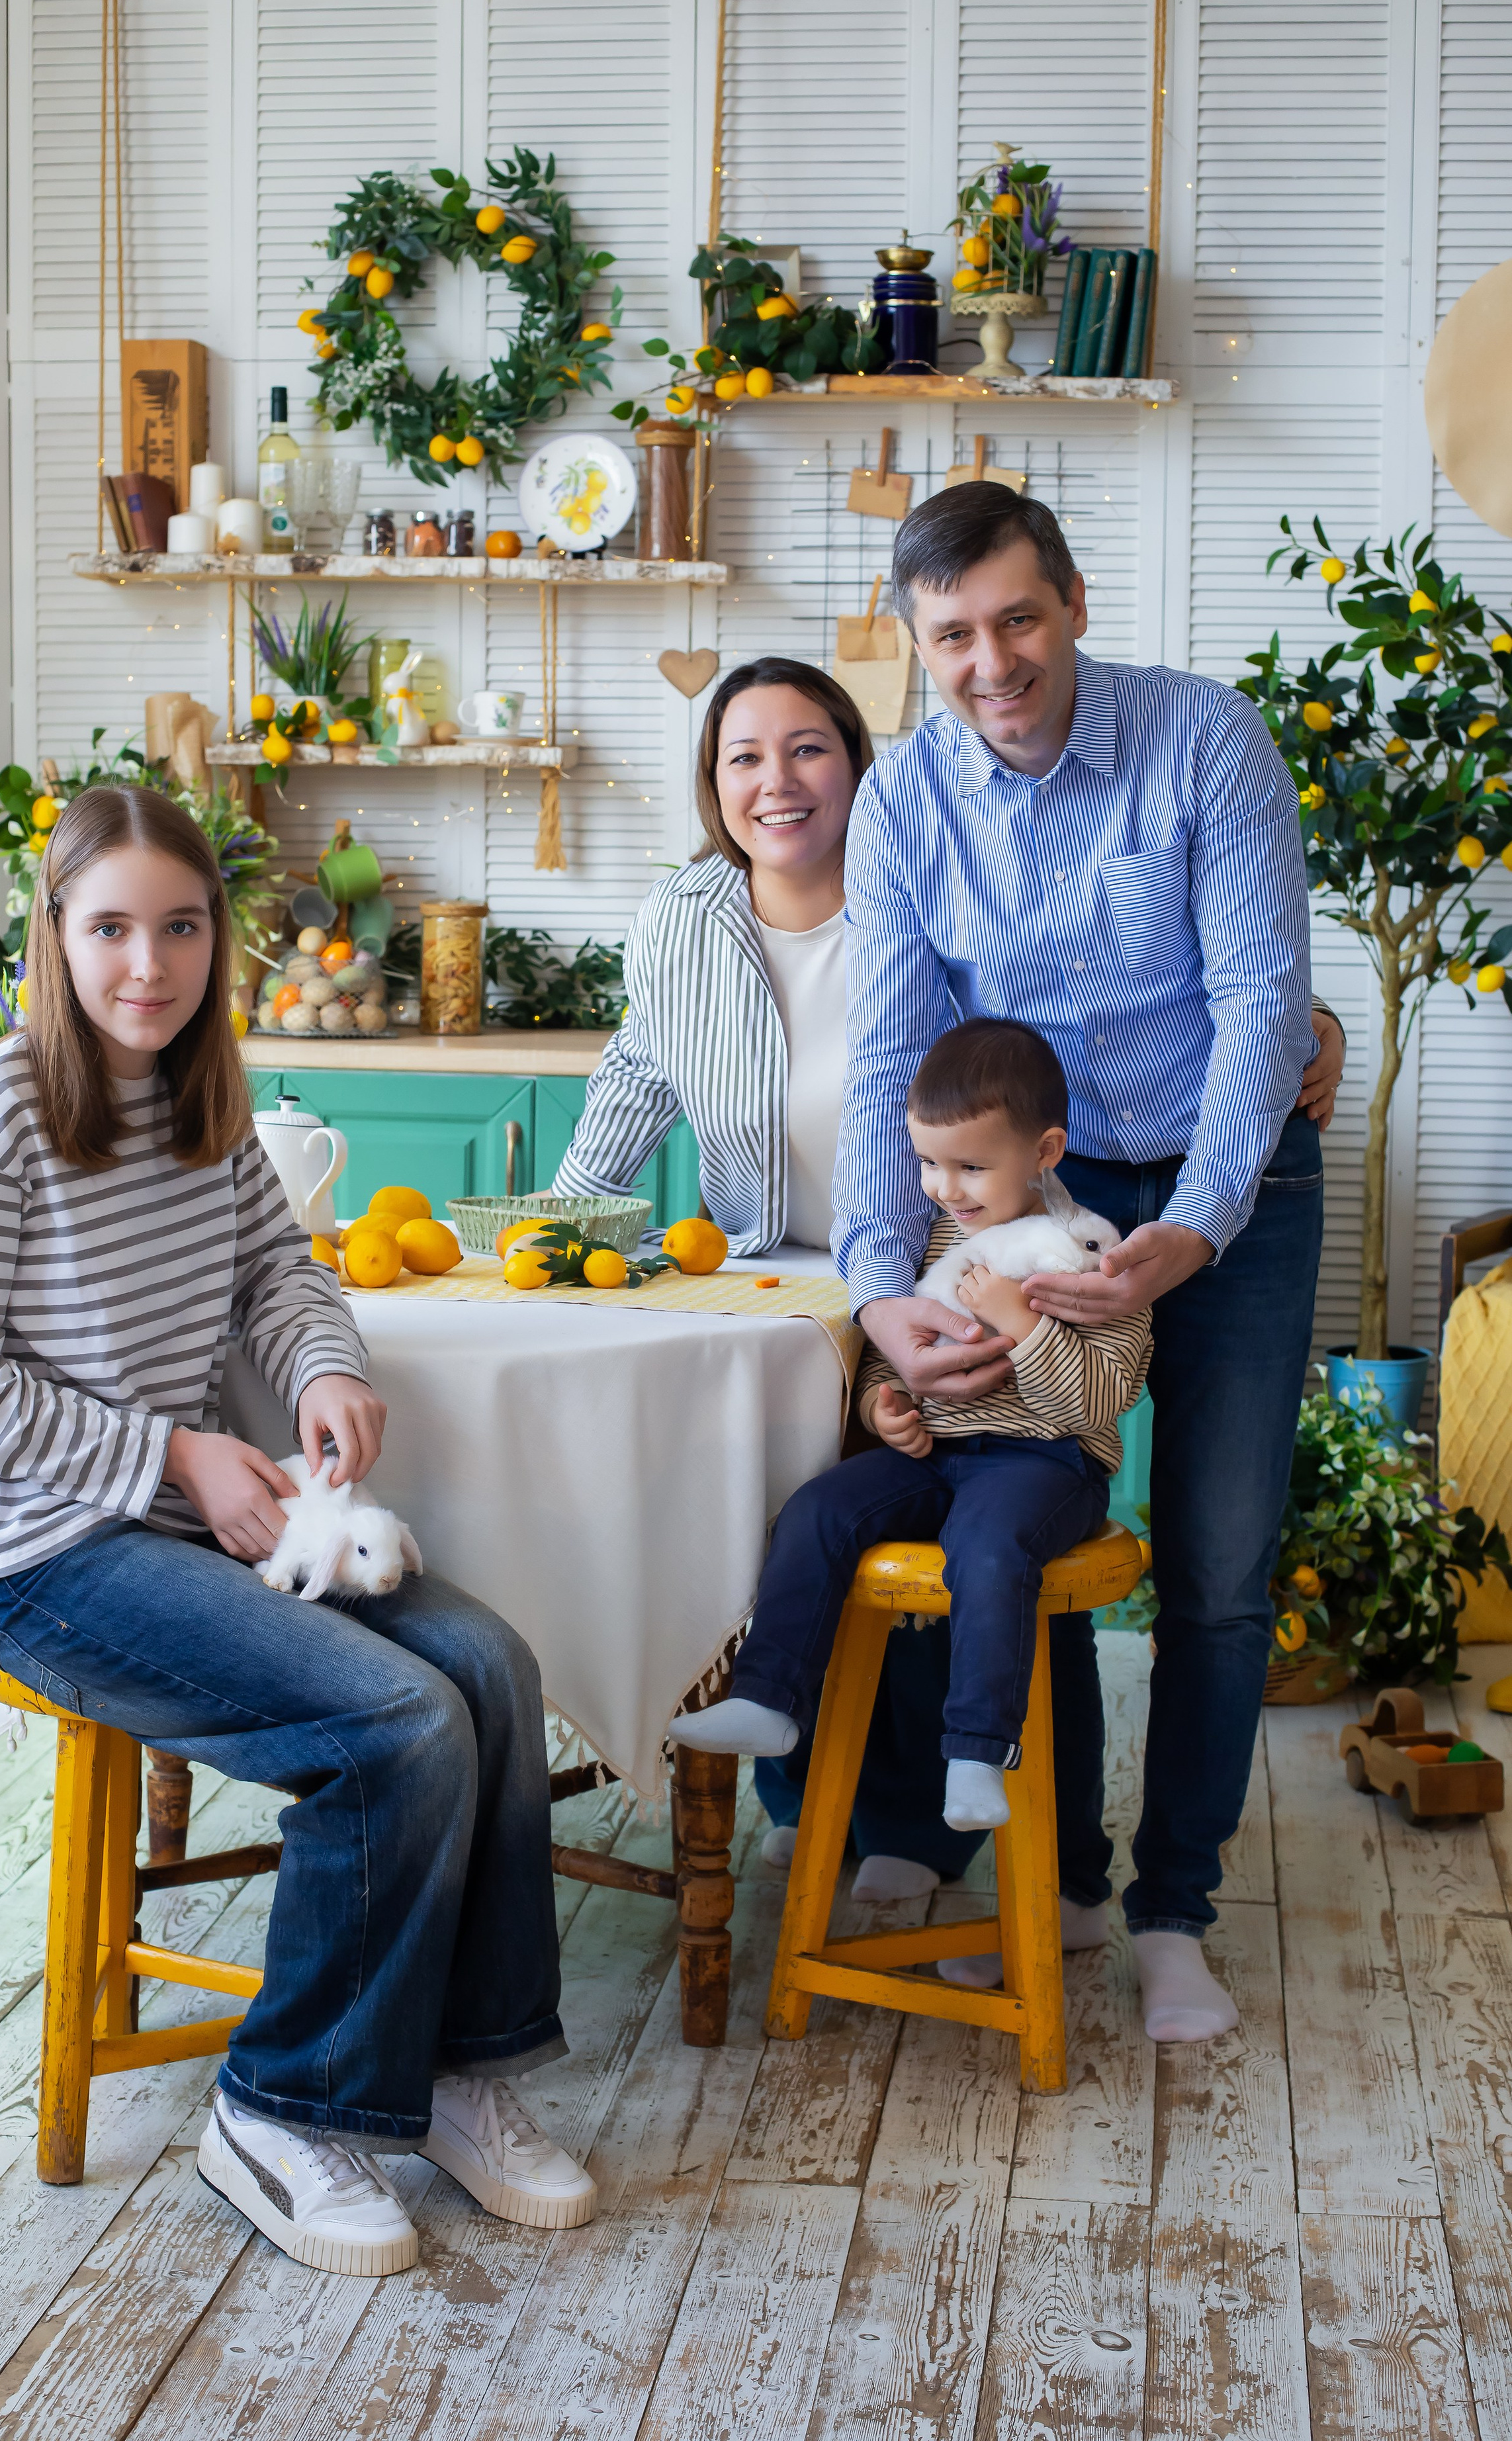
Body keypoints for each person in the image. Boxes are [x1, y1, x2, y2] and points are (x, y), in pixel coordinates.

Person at [0, 785, 595, 2278]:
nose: (150, 964)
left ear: (219, 935)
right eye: (113, 928)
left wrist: (326, 1363)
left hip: (191, 1522)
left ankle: (457, 2065)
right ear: (56, 937)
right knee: (395, 1722)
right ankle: (281, 2106)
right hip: (48, 1561)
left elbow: (279, 1271)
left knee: (493, 1670)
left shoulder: (207, 1093)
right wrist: (174, 1452)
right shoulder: (1, 1103)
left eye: (182, 926)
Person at [559, 654, 1345, 1912]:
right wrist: (561, 1225)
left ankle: (955, 1835)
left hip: (937, 1258)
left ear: (860, 772)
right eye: (742, 757)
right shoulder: (684, 919)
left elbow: (1092, 989)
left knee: (995, 1536)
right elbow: (638, 1072)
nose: (776, 780)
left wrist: (1305, 1019)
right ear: (711, 785)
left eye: (808, 748)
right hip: (801, 1276)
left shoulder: (926, 883)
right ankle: (812, 1793)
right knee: (810, 1525)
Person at [839, 480, 1326, 2044]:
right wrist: (881, 1293)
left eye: (1015, 619)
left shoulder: (1204, 743)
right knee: (1024, 1514)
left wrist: (1188, 1231)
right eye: (952, 638)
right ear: (918, 649)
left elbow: (1262, 1003)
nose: (990, 662)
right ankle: (1060, 1882)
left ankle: (1177, 1906)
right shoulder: (902, 804)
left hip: (1225, 1179)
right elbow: (883, 1066)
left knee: (1215, 1553)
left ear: (1074, 604)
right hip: (1020, 1197)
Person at [670, 1020, 1150, 1874]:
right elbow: (894, 1358)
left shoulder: (1088, 1252)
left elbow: (1101, 1399)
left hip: (1047, 1466)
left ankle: (976, 1747)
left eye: (970, 1166)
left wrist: (1021, 1324)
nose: (945, 1187)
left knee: (989, 1545)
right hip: (939, 1458)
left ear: (1044, 1150)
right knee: (818, 1509)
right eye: (929, 1162)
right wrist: (891, 1408)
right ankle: (768, 1697)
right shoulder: (933, 1240)